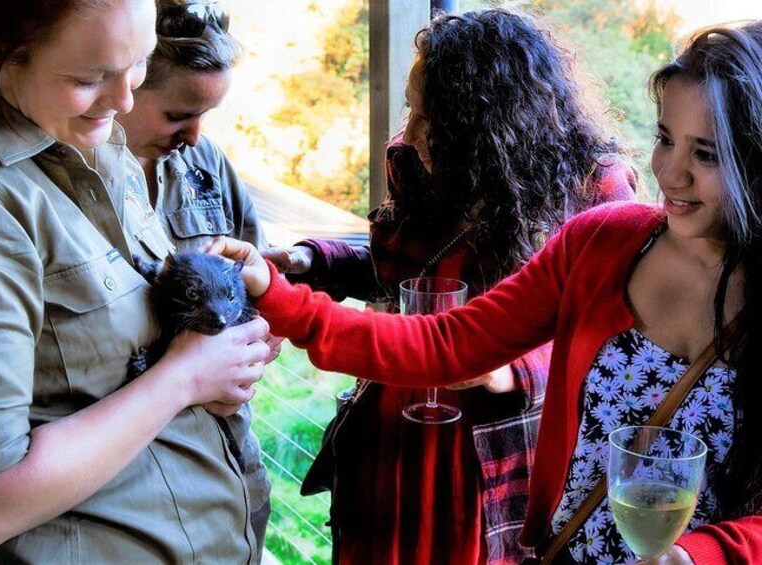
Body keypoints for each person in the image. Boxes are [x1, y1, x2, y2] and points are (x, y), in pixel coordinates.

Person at [213, 19, 762, 565]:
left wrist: (701, 555)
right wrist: (277, 295)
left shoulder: (590, 190)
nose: (669, 171)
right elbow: (444, 342)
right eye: (665, 138)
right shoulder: (605, 241)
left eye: (706, 154)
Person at [262, 9, 636, 565]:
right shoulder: (418, 166)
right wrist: (313, 261)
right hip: (397, 428)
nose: (409, 136)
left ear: (484, 122)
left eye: (428, 118)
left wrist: (512, 369)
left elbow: (618, 334)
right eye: (410, 110)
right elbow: (409, 274)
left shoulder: (592, 189)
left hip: (498, 450)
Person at [0, 1, 271, 562]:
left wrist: (229, 349)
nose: (125, 100)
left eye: (138, 64)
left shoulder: (98, 144)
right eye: (89, 78)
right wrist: (185, 378)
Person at [115, 1, 273, 556]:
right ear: (124, 82)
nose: (196, 135)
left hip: (230, 467)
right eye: (179, 115)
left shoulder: (204, 165)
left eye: (207, 116)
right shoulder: (66, 194)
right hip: (130, 492)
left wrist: (256, 348)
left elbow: (261, 281)